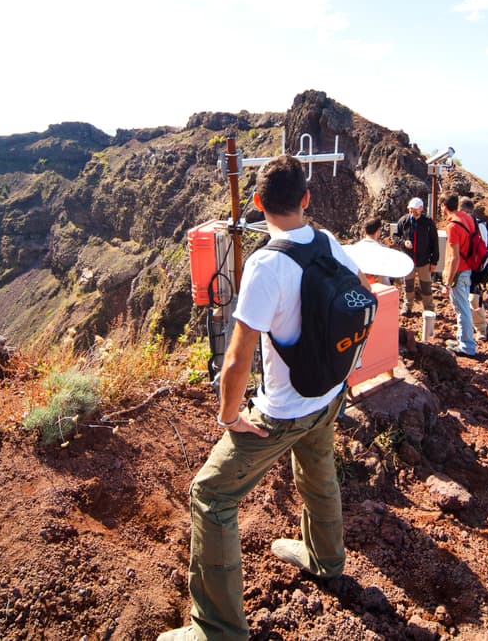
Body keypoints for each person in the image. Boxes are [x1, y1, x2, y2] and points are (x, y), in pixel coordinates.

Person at [159, 155, 358, 641]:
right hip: (330, 395)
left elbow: (237, 358)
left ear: (256, 204)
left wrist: (230, 415)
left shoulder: (267, 264)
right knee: (317, 467)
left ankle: (217, 630)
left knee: (210, 493)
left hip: (283, 410)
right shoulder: (331, 243)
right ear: (306, 199)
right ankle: (325, 559)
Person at [442, 194, 477, 357]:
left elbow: (453, 257)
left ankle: (467, 347)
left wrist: (447, 283)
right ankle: (462, 339)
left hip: (459, 272)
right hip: (467, 268)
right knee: (463, 307)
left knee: (462, 309)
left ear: (443, 205)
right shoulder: (467, 218)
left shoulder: (452, 226)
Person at [393, 197, 437, 316]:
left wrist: (434, 261)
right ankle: (408, 307)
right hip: (408, 261)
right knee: (408, 285)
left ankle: (429, 308)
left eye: (415, 209)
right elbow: (395, 236)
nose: (412, 212)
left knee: (426, 286)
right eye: (411, 209)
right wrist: (403, 243)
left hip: (424, 261)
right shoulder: (404, 221)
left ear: (421, 208)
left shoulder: (428, 222)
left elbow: (435, 242)